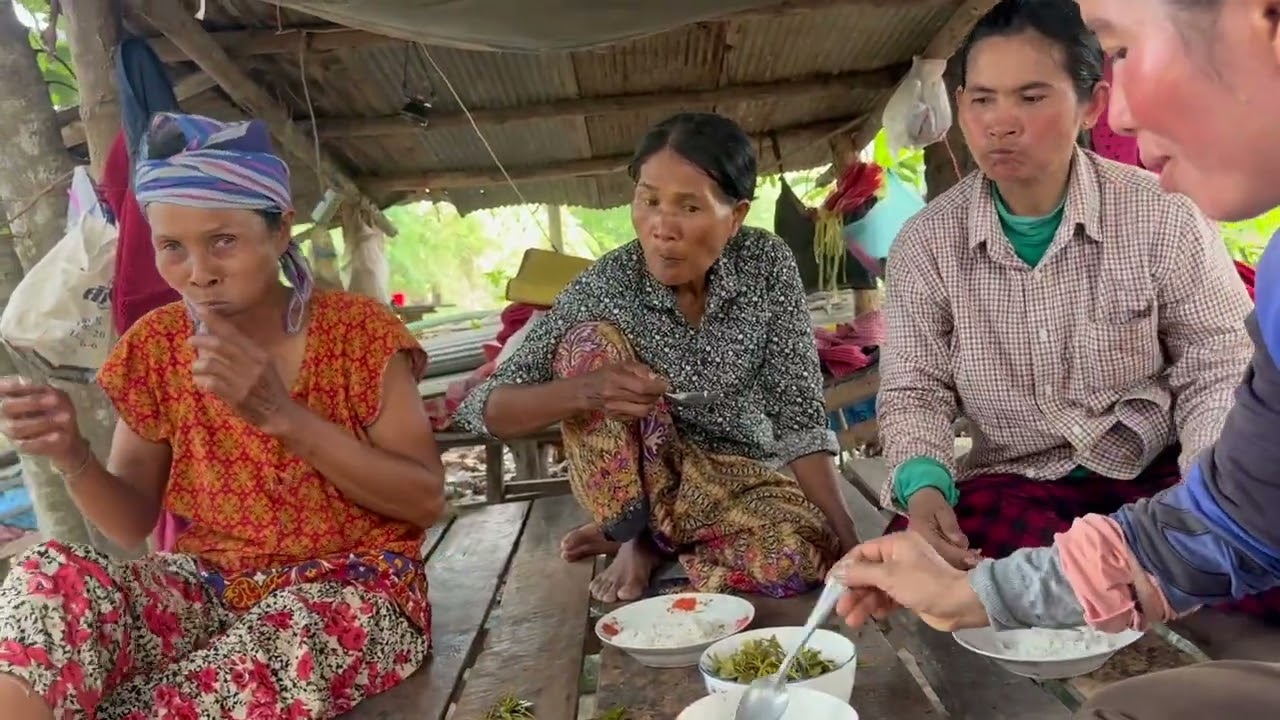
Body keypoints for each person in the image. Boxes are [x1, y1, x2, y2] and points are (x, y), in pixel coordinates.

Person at [833, 0, 1280, 716]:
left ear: (1089, 104)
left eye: (1031, 97)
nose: (999, 122)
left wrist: (1207, 494)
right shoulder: (928, 244)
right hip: (1022, 483)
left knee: (1255, 545)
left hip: (1152, 477)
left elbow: (1217, 367)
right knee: (926, 556)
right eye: (981, 100)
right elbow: (915, 387)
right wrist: (923, 491)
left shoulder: (1163, 215)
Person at [0, 113, 446, 719]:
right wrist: (73, 457)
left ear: (281, 229)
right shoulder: (157, 347)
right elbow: (131, 523)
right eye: (171, 248)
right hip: (209, 590)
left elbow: (423, 502)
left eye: (223, 241)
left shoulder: (359, 335)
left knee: (234, 668)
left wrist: (282, 415)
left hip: (351, 594)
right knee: (51, 577)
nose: (198, 271)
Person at [453, 112, 858, 603]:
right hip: (639, 480)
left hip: (742, 478)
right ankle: (633, 534)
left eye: (689, 207)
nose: (662, 228)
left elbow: (799, 417)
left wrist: (847, 539)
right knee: (588, 346)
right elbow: (484, 409)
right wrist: (588, 388)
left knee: (800, 560)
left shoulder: (766, 265)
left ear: (736, 217)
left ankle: (663, 544)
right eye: (648, 200)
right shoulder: (608, 283)